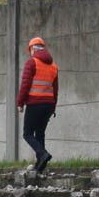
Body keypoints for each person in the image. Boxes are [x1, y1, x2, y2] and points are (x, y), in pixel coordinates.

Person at [16, 36, 58, 173]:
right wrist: (53, 107)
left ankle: (43, 154)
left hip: (34, 103)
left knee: (27, 134)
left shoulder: (31, 63)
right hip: (48, 104)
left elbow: (25, 85)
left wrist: (20, 102)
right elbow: (55, 89)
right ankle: (41, 164)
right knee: (40, 133)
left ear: (32, 49)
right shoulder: (53, 66)